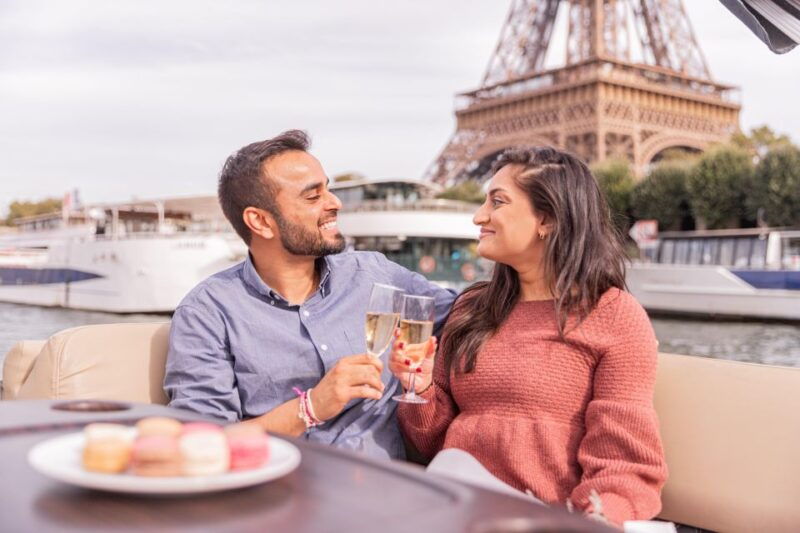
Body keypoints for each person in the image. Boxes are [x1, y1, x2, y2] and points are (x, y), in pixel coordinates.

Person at [390, 146, 668, 526]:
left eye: (497, 202)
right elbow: (432, 445)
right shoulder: (473, 307)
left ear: (548, 219)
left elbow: (623, 462)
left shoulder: (614, 315)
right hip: (454, 510)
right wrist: (419, 389)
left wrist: (592, 520)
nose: (478, 216)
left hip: (549, 519)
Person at [164, 130, 455, 460]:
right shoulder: (206, 313)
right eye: (312, 197)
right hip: (287, 494)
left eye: (328, 188)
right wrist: (310, 407)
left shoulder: (375, 272)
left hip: (390, 490)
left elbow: (470, 312)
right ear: (260, 221)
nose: (335, 203)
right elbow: (203, 443)